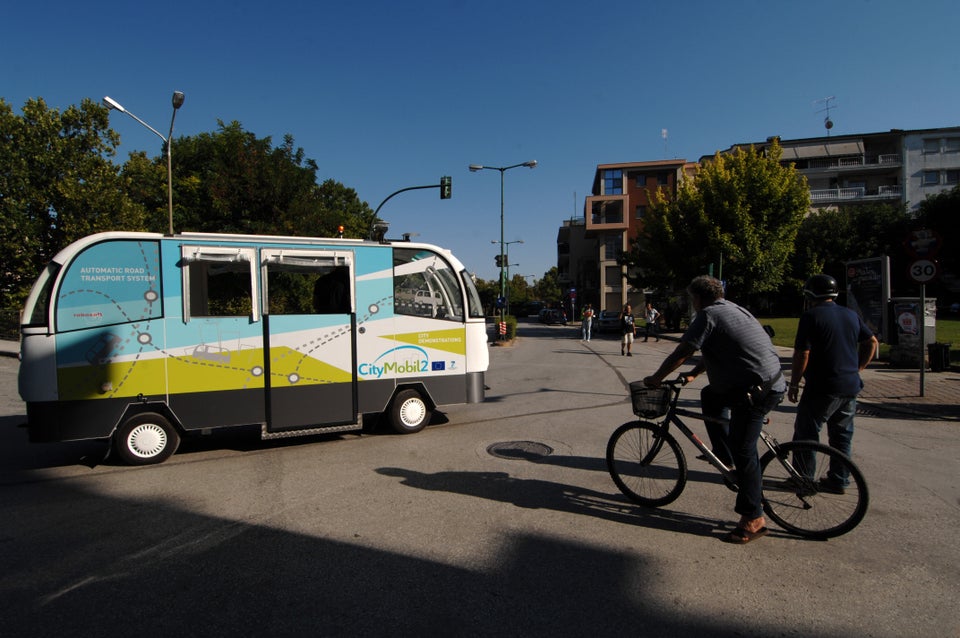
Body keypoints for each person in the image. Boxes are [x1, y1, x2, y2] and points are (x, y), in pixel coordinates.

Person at [643, 276, 786, 544]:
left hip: (756, 391)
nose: (692, 303)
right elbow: (721, 349)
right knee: (710, 396)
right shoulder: (734, 309)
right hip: (770, 382)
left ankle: (753, 518)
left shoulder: (707, 315)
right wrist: (695, 375)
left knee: (746, 450)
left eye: (691, 298)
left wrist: (657, 377)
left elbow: (683, 351)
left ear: (698, 298)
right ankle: (725, 456)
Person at [788, 274, 877, 492]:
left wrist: (794, 382)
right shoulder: (850, 314)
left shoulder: (811, 316)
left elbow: (802, 353)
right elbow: (871, 341)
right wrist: (859, 368)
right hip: (849, 385)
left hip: (822, 386)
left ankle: (804, 477)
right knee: (841, 436)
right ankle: (839, 479)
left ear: (809, 294)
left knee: (806, 434)